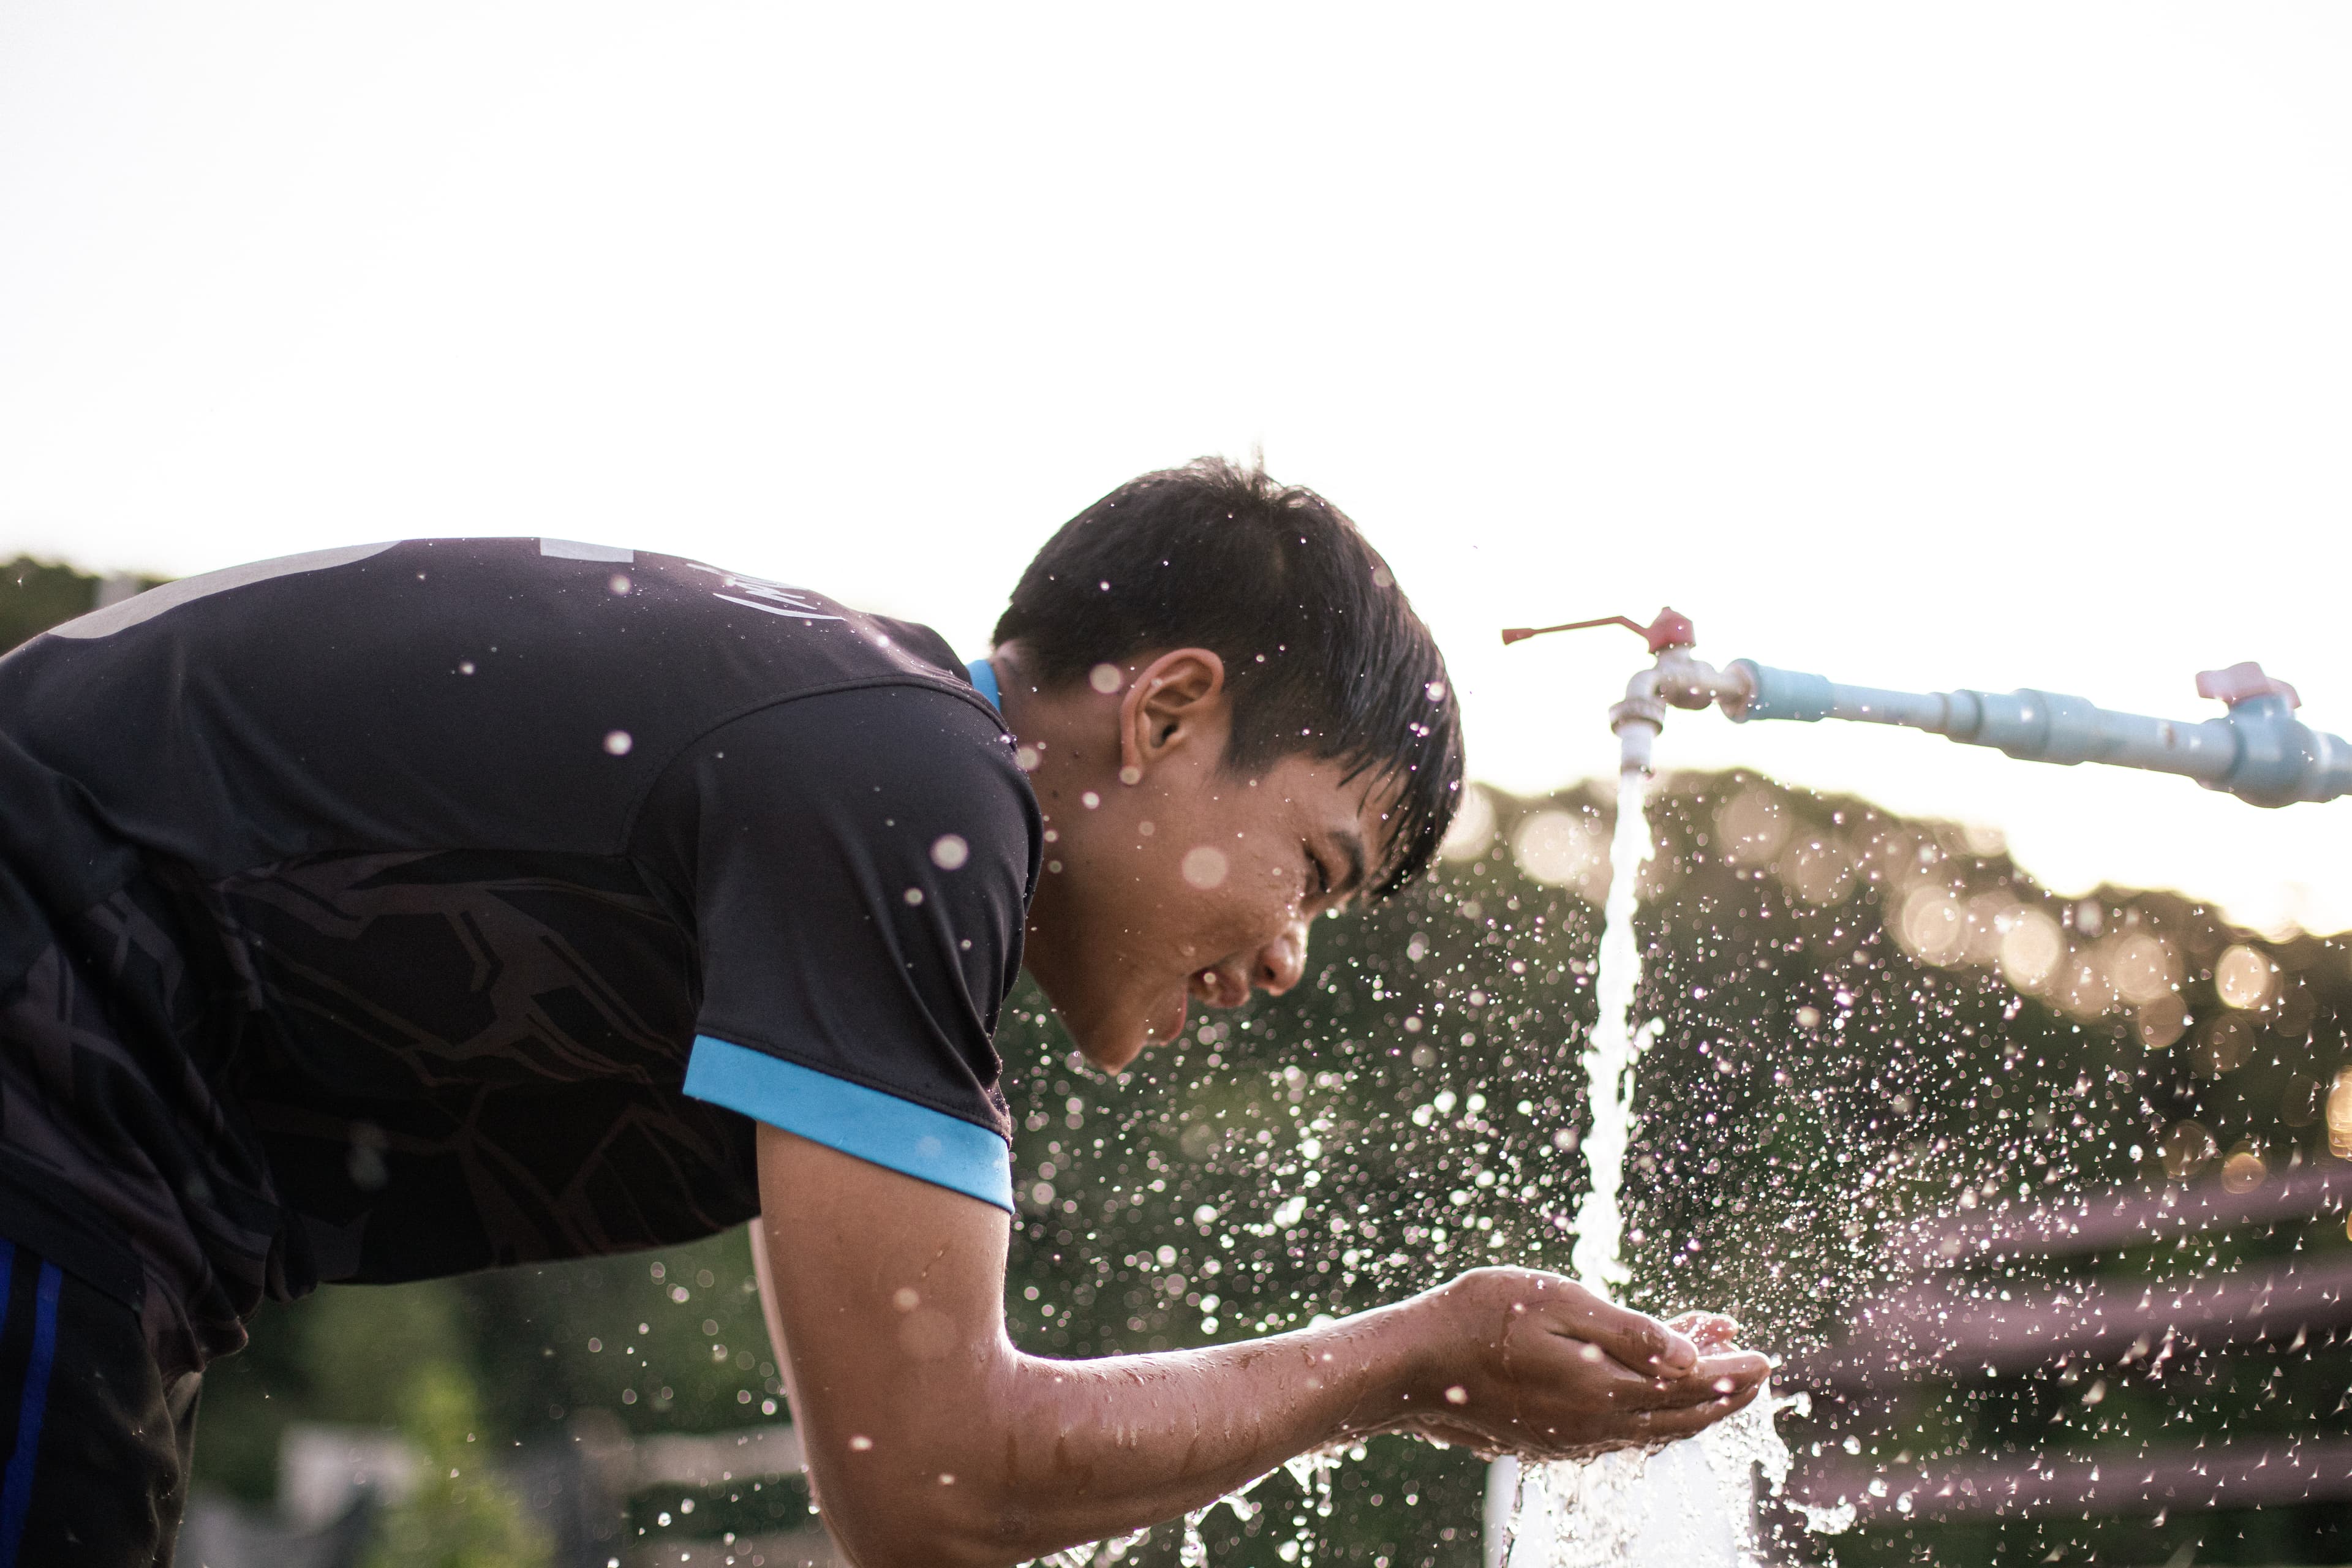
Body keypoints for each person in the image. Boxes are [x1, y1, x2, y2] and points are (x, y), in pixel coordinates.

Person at [0, 458, 1767, 1566]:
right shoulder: (907, 789)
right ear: (1165, 711)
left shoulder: (868, 780)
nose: (1292, 956)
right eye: (1310, 865)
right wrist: (1408, 1357)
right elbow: (934, 1491)